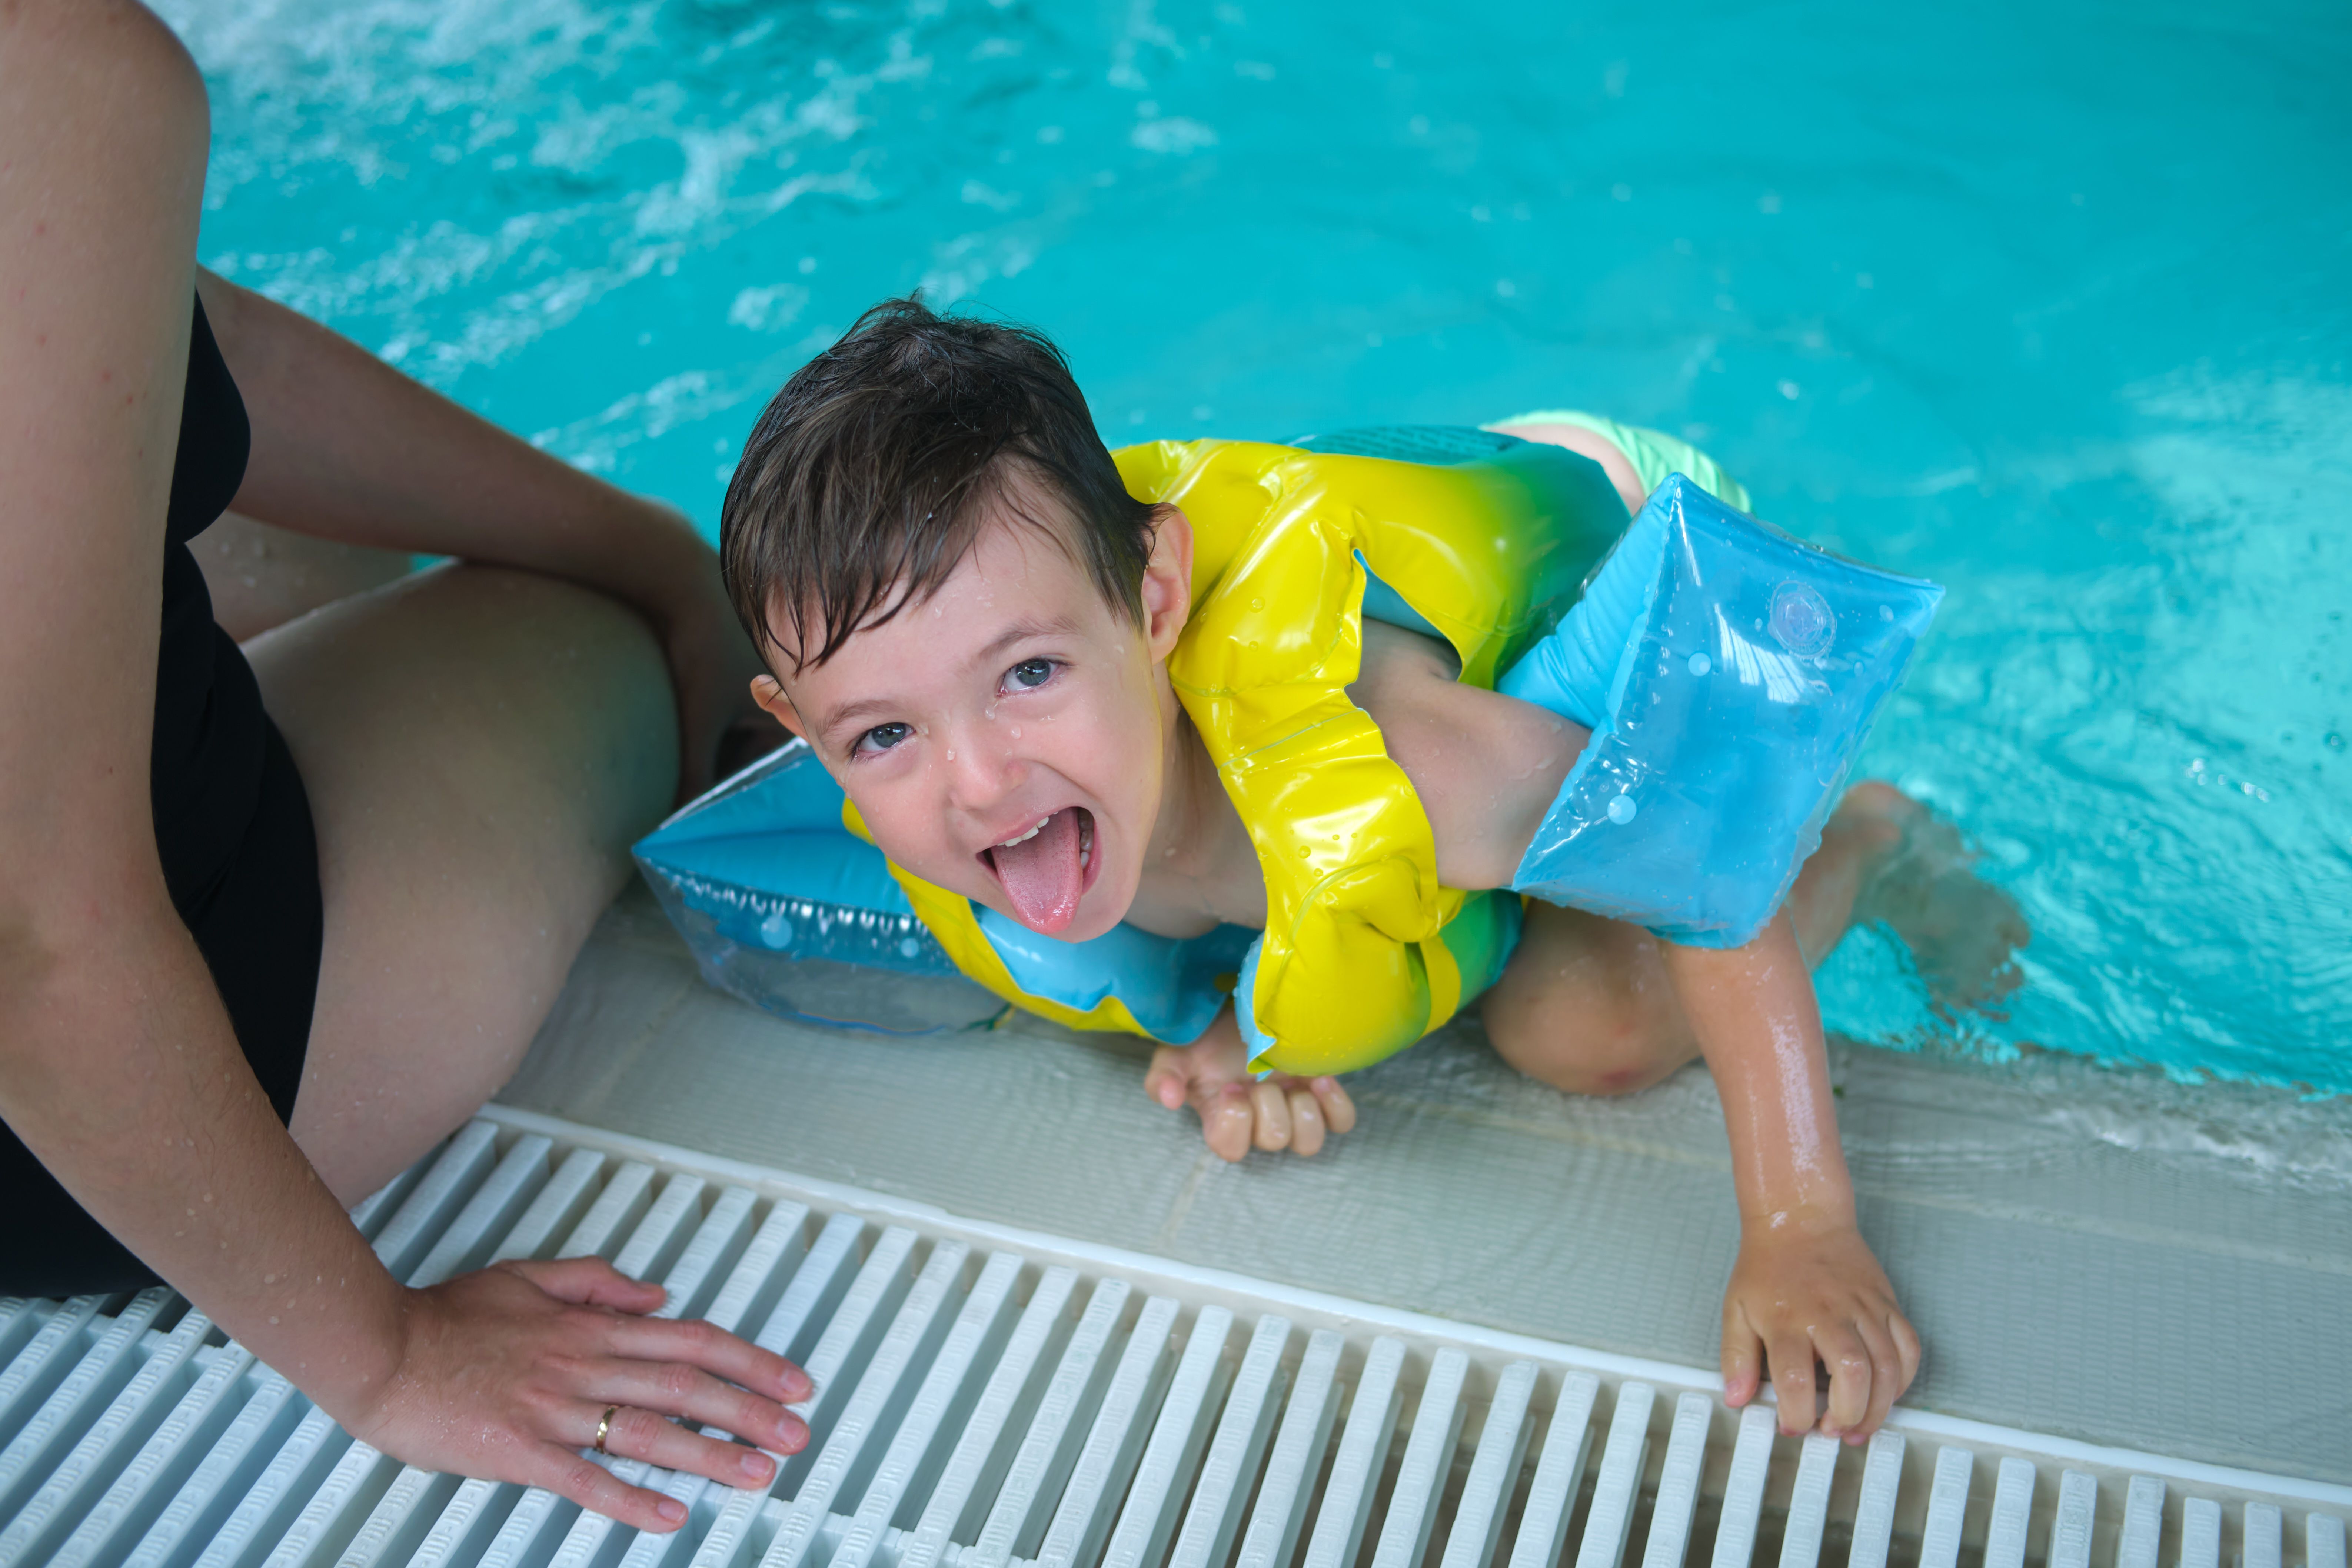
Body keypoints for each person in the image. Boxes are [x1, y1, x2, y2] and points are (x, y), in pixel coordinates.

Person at [714, 297, 2028, 1443]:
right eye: (883, 734)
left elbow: (1695, 835)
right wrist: (1244, 1022)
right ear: (803, 726)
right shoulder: (1015, 789)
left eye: (1030, 673)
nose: (978, 780)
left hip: (1612, 569)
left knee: (1589, 1031)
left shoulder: (1401, 761)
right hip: (1375, 589)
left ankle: (1874, 835)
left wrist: (1801, 1218)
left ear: (1156, 601)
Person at [0, 0, 806, 1532]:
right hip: (86, 1130)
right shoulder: (46, 70)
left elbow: (160, 347)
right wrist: (384, 1361)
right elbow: (34, 951)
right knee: (585, 639)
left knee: (240, 525)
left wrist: (643, 540)